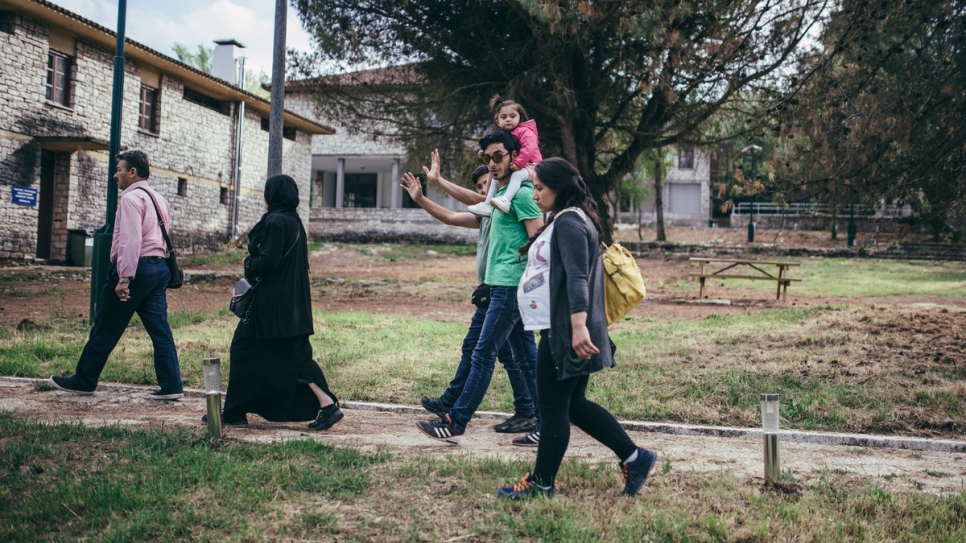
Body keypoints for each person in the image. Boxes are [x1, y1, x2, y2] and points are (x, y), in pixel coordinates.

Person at [496, 158, 657, 500]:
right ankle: (635, 457)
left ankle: (541, 484)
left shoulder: (569, 221)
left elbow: (577, 279)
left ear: (559, 187)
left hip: (566, 331)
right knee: (572, 405)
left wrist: (577, 328)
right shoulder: (574, 218)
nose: (534, 195)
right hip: (566, 328)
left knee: (552, 410)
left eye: (539, 188)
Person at [415, 131, 543, 444]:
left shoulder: (523, 195)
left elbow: (539, 239)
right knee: (526, 360)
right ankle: (546, 421)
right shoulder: (496, 199)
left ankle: (455, 422)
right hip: (501, 287)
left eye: (498, 156)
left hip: (511, 288)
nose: (493, 163)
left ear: (514, 155)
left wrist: (524, 280)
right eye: (487, 158)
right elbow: (454, 214)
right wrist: (421, 197)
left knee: (483, 354)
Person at [50, 150, 184, 399]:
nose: (115, 175)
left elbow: (131, 240)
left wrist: (124, 277)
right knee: (160, 330)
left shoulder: (131, 199)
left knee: (105, 326)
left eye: (119, 169)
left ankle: (84, 380)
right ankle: (172, 385)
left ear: (133, 172)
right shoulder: (159, 199)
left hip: (138, 270)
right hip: (158, 269)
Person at [217, 174, 342, 430]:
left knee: (245, 350)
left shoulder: (274, 221)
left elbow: (268, 262)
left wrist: (248, 263)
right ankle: (236, 411)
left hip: (271, 308)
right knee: (288, 358)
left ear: (271, 194)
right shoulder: (295, 221)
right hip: (293, 307)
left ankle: (328, 406)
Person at [467, 96, 543, 217]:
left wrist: (518, 162)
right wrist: (483, 153)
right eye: (504, 117)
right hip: (523, 165)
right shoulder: (505, 135)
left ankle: (506, 200)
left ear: (520, 118)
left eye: (512, 116)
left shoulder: (526, 131)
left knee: (517, 175)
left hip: (534, 166)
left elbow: (529, 148)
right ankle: (487, 204)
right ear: (497, 121)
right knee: (493, 180)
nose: (508, 120)